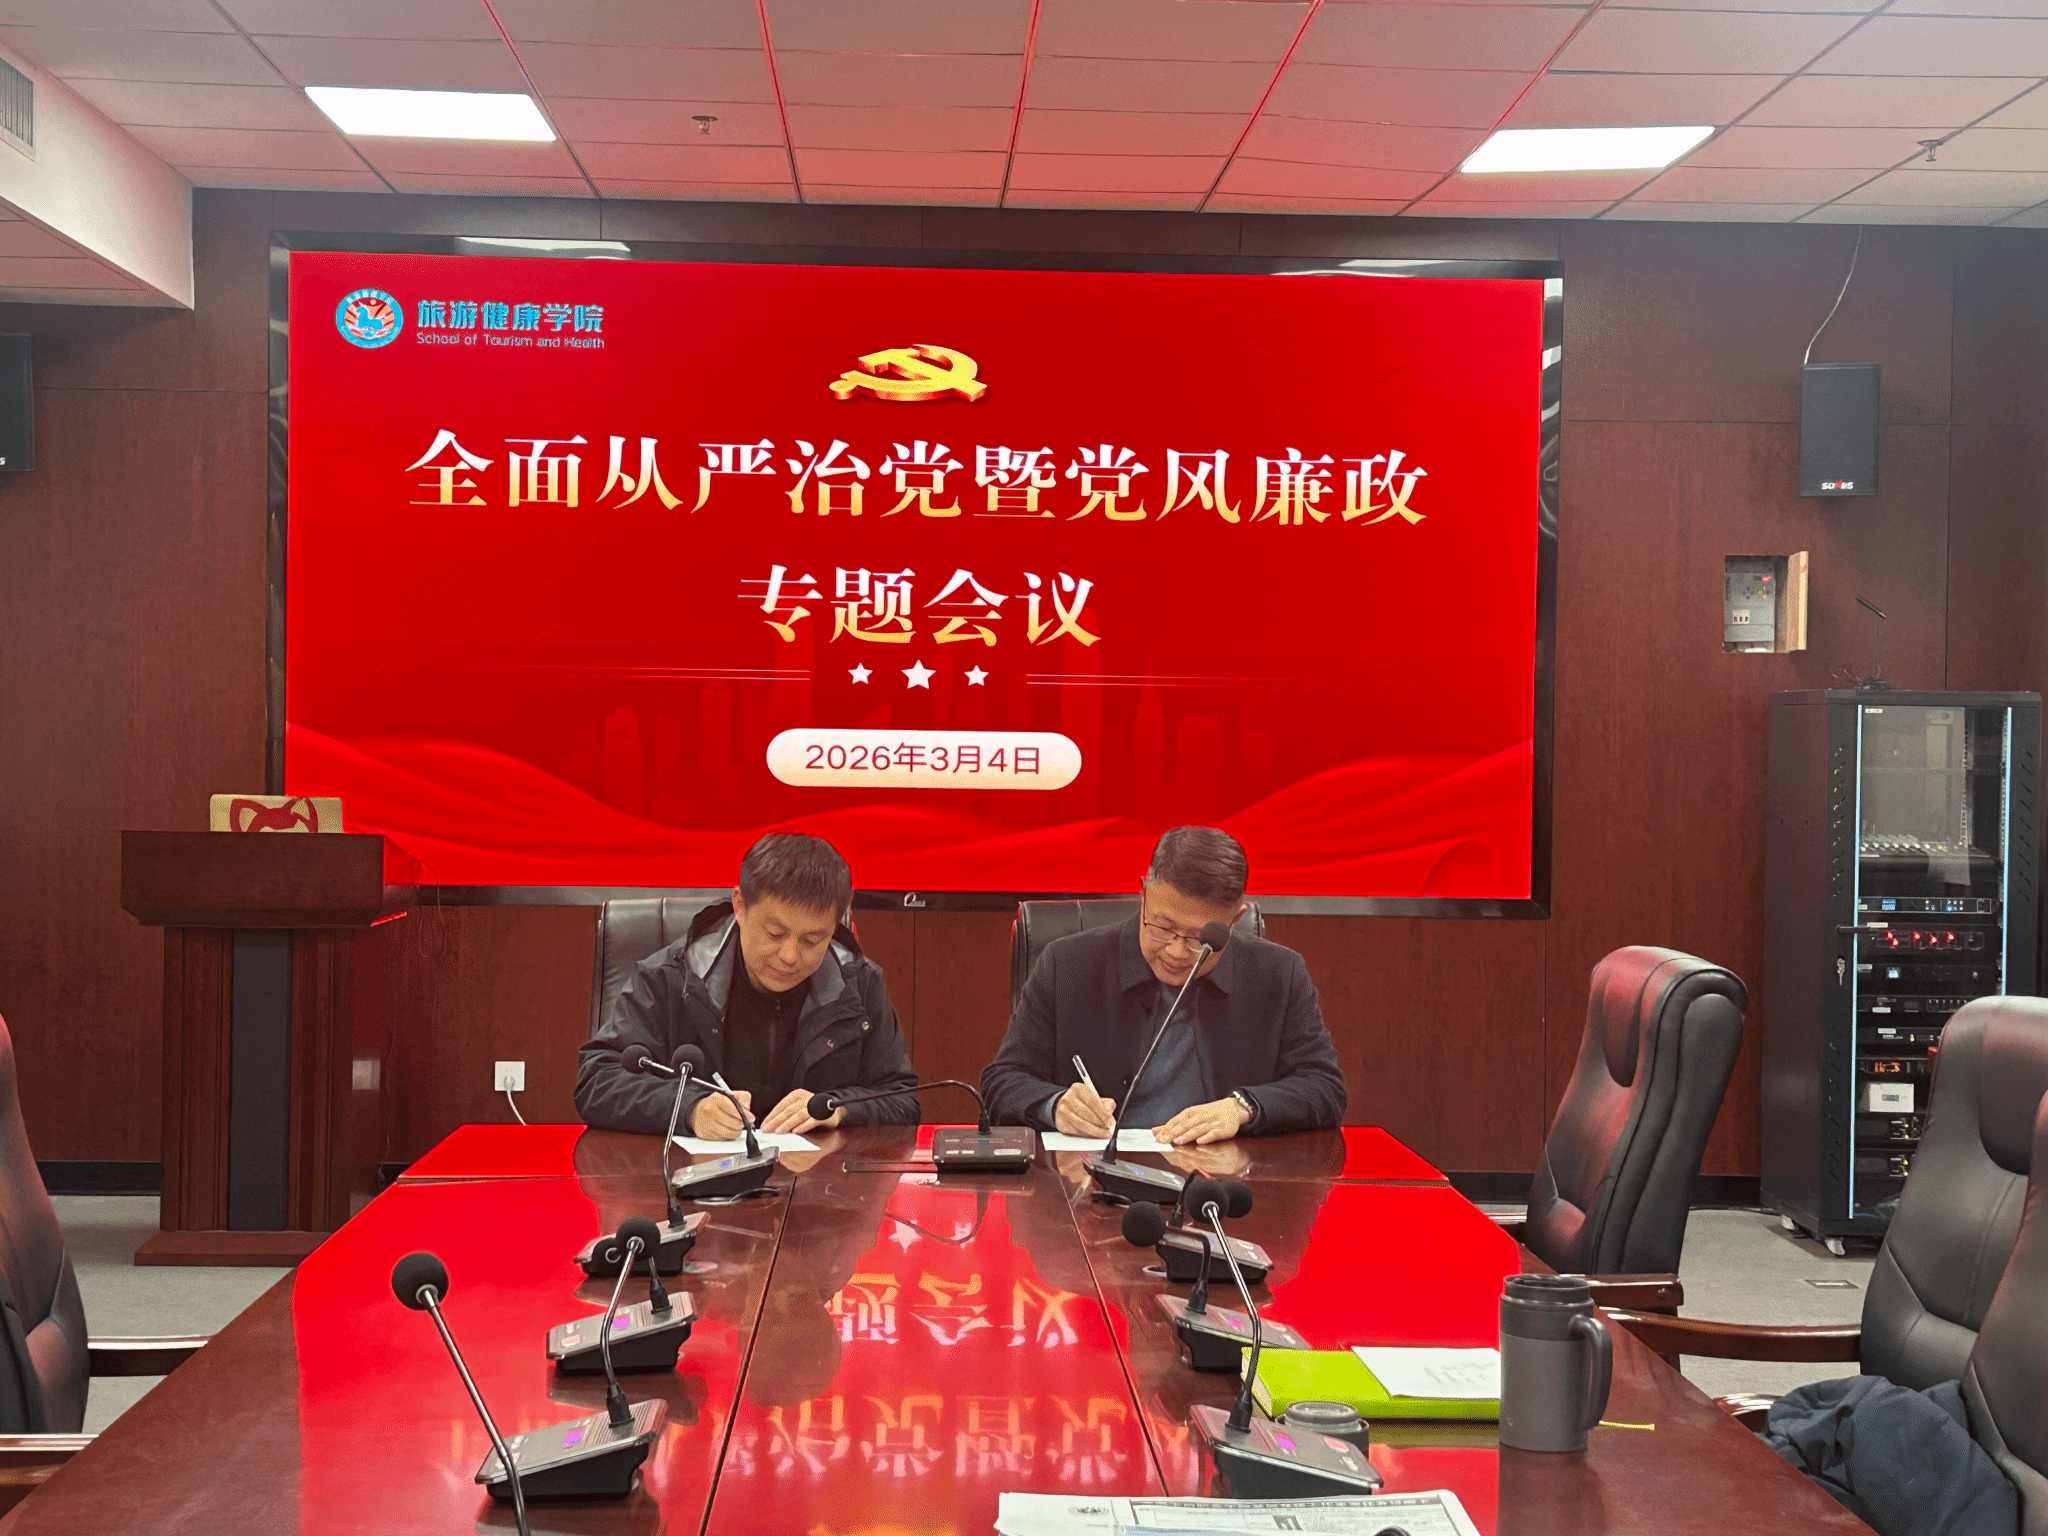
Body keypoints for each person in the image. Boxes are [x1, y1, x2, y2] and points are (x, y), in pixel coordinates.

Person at [980, 826, 1346, 1145]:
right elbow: (1003, 1081)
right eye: (1163, 927)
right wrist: (1056, 1105)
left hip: (1222, 1184)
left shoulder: (1278, 974)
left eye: (1200, 938)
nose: (1176, 951)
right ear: (1143, 894)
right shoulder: (1068, 964)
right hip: (1095, 1182)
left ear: (1235, 921)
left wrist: (1242, 1108)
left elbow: (1324, 1087)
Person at [576, 833, 916, 1137]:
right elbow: (597, 1081)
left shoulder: (858, 984)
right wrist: (688, 1108)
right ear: (740, 906)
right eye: (775, 934)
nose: (790, 956)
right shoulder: (673, 977)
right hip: (696, 1178)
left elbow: (903, 1099)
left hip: (816, 1180)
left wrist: (839, 1107)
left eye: (812, 941)